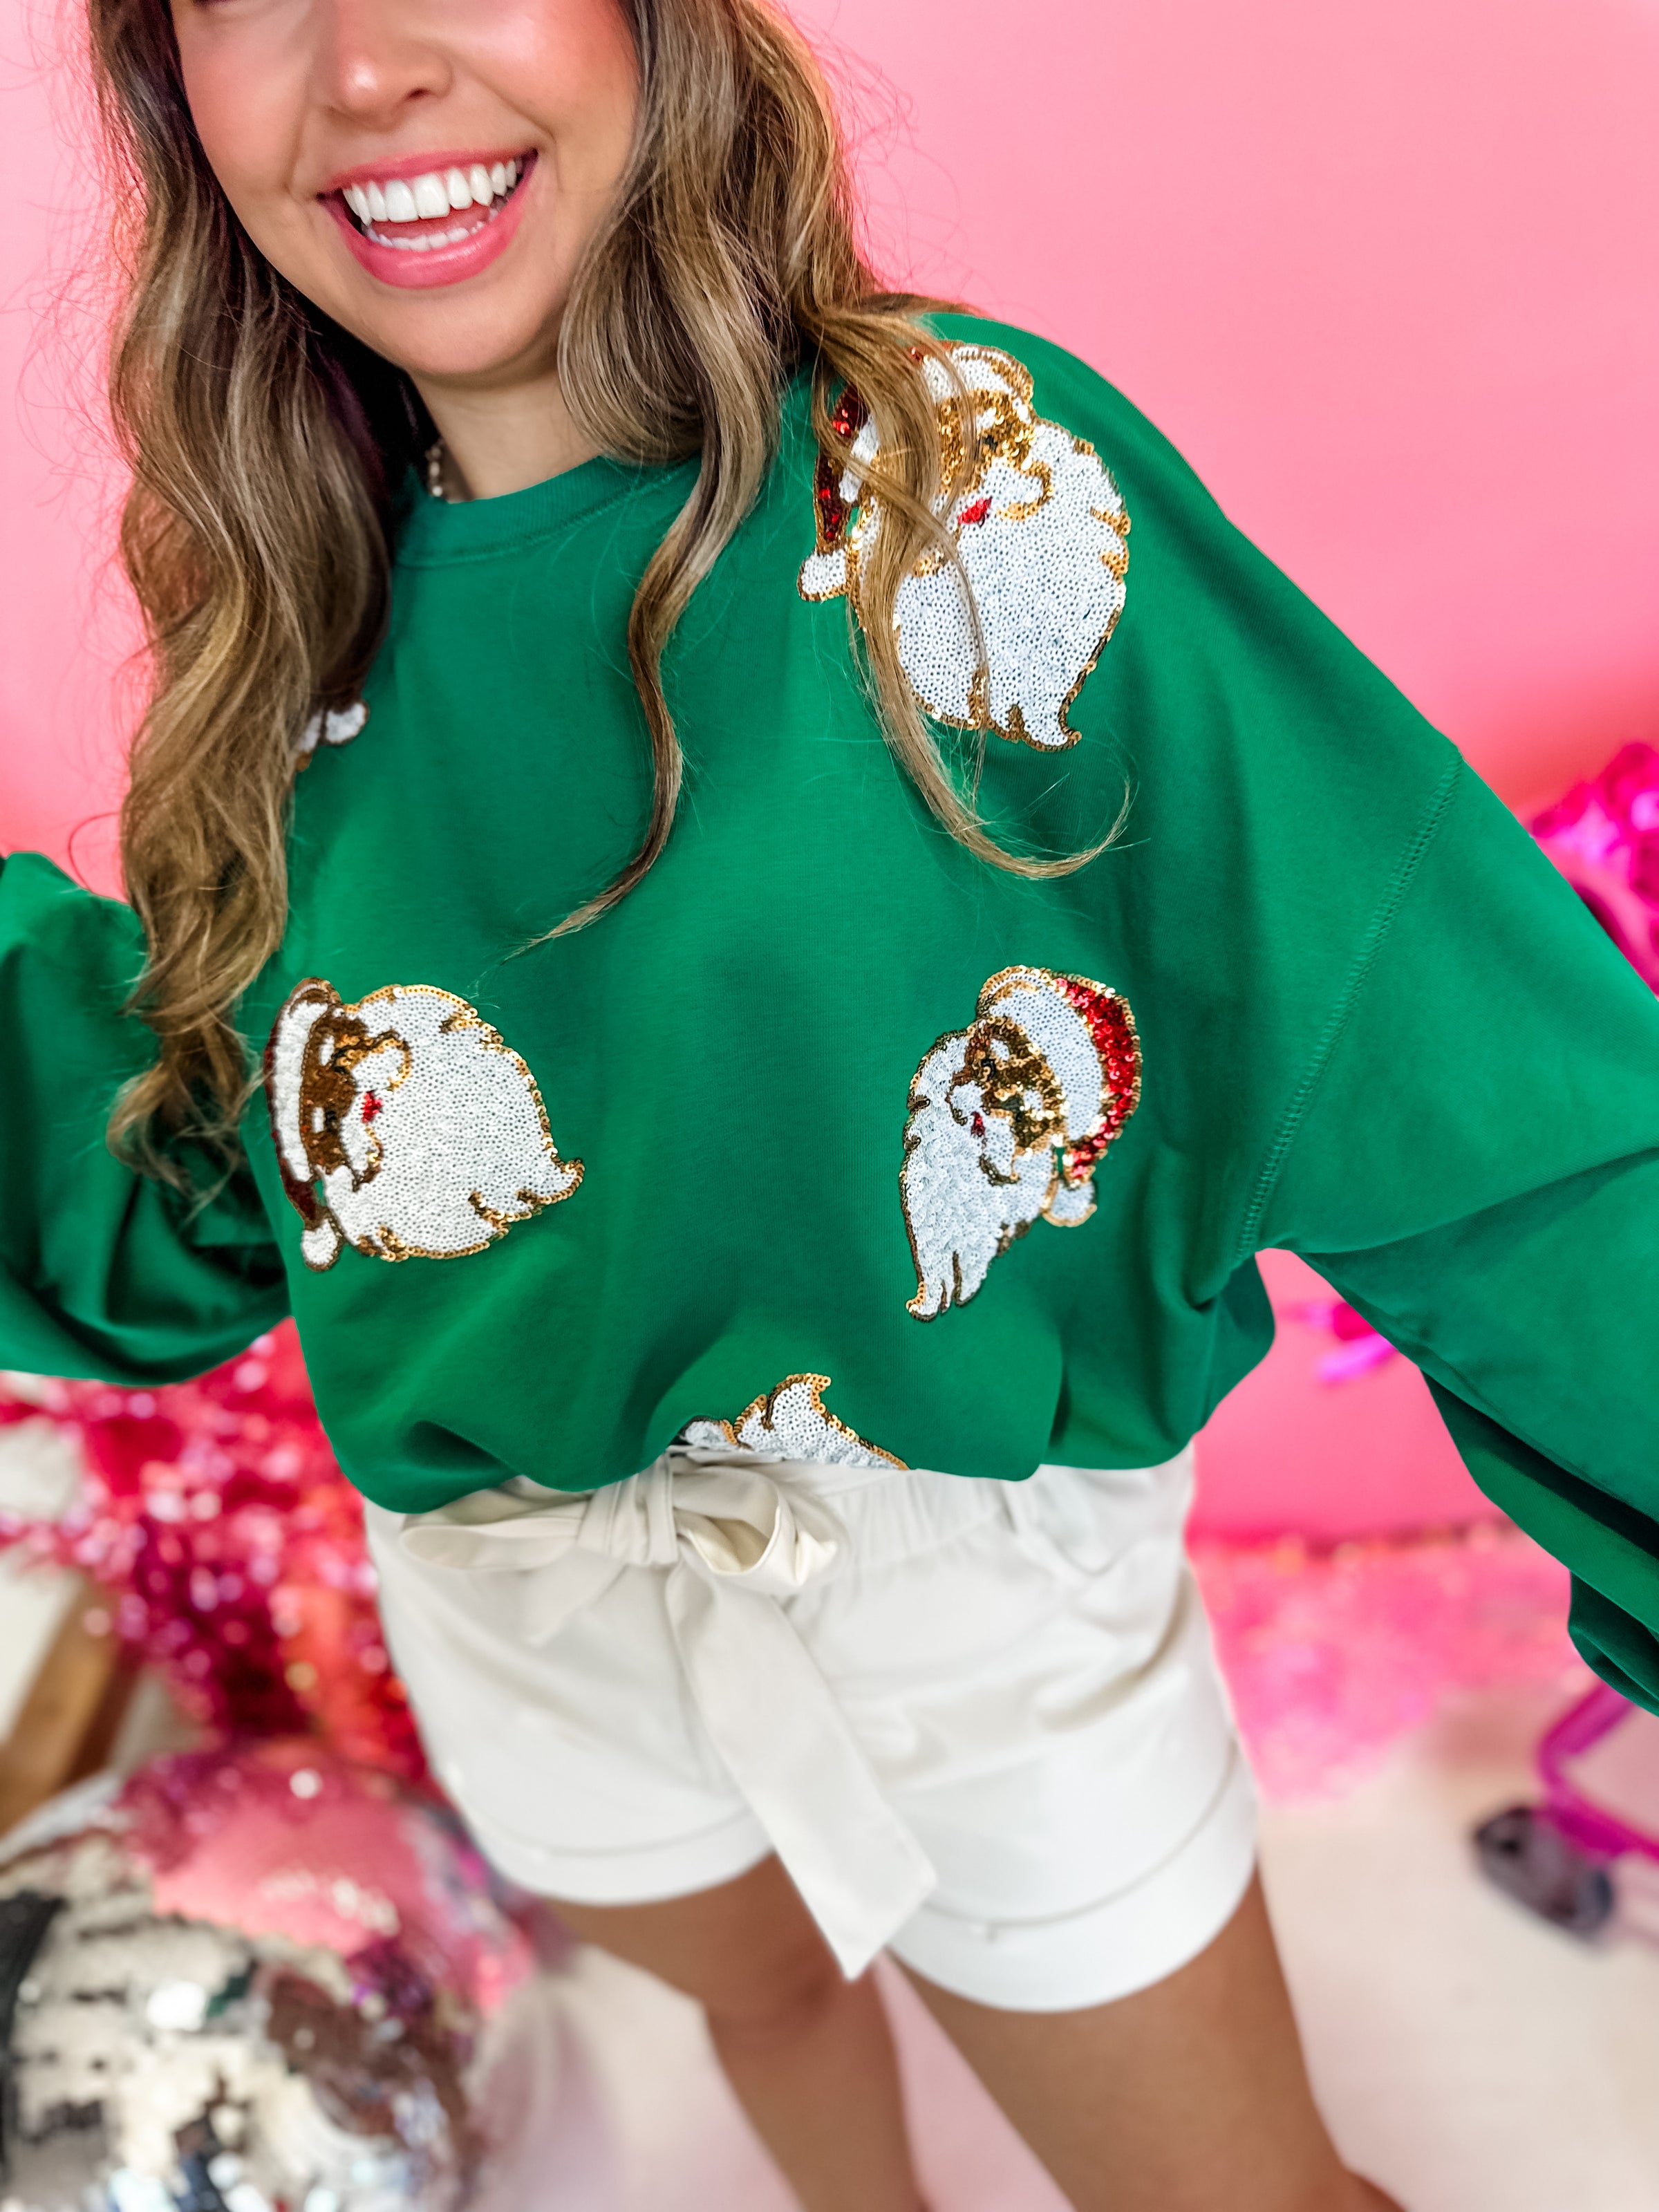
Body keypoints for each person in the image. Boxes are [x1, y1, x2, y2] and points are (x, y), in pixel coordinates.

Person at [2, 0, 1654, 2204]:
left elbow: (1484, 1116)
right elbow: (210, 1152)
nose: (369, 69)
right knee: (767, 2004)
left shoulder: (970, 486)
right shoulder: (285, 607)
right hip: (518, 1609)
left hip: (957, 1599)